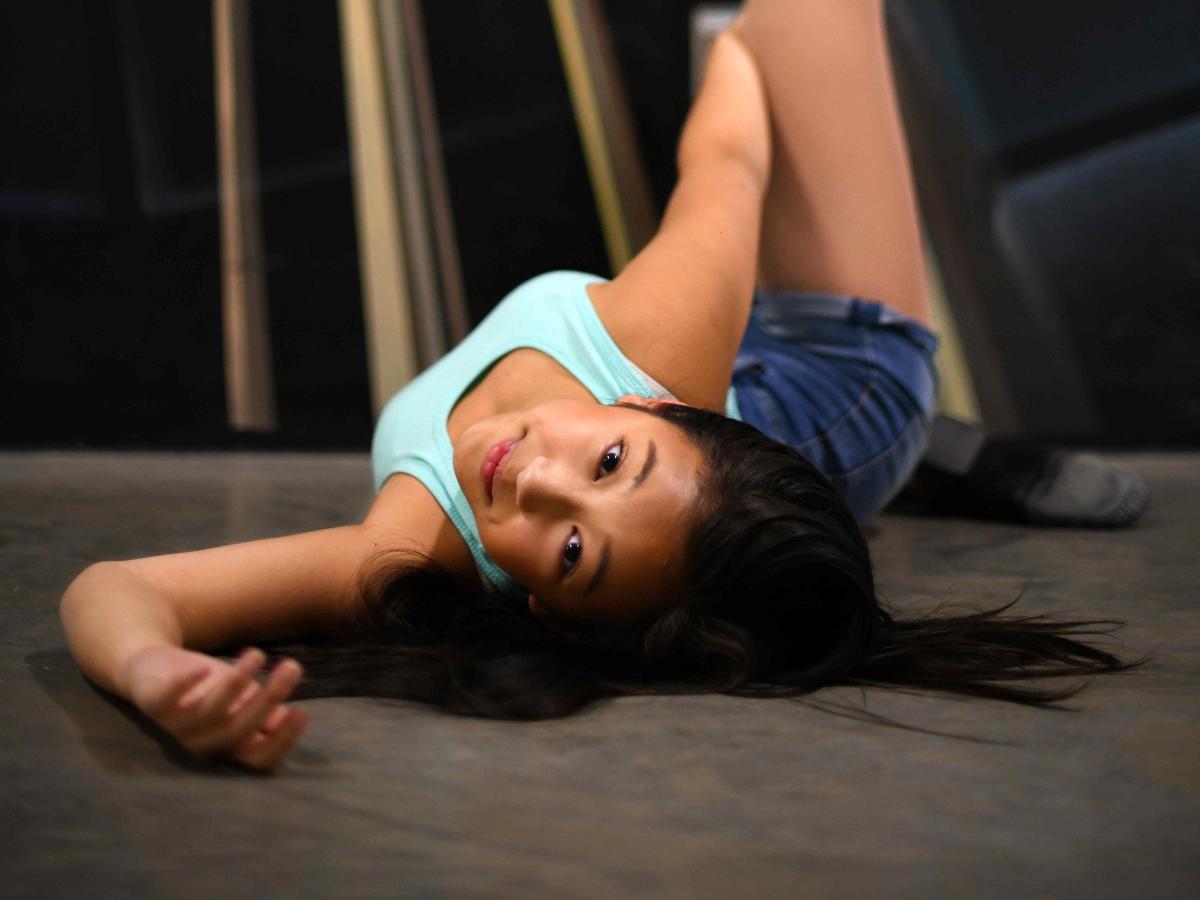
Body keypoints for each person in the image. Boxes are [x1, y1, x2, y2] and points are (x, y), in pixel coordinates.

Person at [59, 0, 1145, 771]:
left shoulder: (414, 544)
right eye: (610, 463)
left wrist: (157, 676)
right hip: (844, 384)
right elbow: (730, 164)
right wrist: (742, 45)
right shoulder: (657, 335)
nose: (536, 481)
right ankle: (913, 438)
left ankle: (925, 460)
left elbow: (118, 586)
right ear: (648, 407)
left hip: (756, 412)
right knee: (795, 24)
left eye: (575, 549)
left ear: (537, 603)